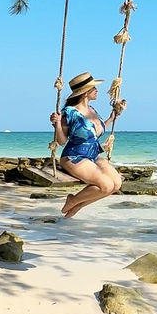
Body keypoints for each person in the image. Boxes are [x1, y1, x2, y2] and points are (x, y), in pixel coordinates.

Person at [49, 71, 123, 218]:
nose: (97, 90)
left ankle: (77, 204)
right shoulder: (69, 112)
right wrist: (56, 124)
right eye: (93, 87)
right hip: (74, 156)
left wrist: (112, 117)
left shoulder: (92, 110)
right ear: (84, 92)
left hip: (93, 155)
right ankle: (73, 201)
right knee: (106, 185)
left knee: (116, 184)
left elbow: (96, 131)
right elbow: (62, 141)